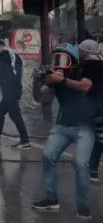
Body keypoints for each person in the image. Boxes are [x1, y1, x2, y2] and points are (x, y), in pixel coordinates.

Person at [31, 43, 95, 219]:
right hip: (62, 126)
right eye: (56, 58)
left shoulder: (83, 72)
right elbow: (39, 97)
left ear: (72, 60)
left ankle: (83, 206)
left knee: (81, 163)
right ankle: (51, 198)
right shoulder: (54, 79)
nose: (58, 62)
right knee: (47, 156)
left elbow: (85, 86)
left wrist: (63, 80)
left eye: (63, 58)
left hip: (85, 126)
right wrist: (36, 80)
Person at [0, 40, 31, 149]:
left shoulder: (4, 53)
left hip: (10, 91)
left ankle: (25, 141)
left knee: (15, 115)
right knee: (0, 111)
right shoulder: (15, 55)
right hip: (15, 90)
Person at [78, 39, 103, 183]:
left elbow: (84, 86)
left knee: (94, 138)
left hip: (95, 107)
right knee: (99, 140)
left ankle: (91, 170)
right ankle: (92, 170)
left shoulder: (87, 66)